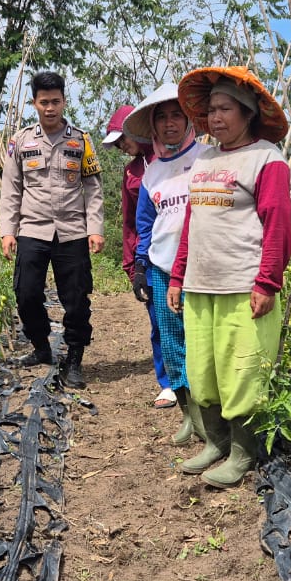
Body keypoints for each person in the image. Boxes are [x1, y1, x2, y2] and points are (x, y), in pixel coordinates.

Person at [167, 67, 291, 488]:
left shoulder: (266, 160)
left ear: (248, 113)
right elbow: (191, 222)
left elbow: (277, 225)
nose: (215, 118)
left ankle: (243, 452)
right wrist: (177, 276)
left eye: (224, 109)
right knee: (204, 371)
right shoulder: (206, 158)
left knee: (242, 373)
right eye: (211, 110)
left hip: (242, 286)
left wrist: (267, 282)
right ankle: (216, 442)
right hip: (202, 284)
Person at [0, 71, 104, 388]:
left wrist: (95, 228)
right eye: (43, 102)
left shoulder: (81, 140)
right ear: (34, 103)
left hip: (72, 231)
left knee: (76, 299)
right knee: (26, 293)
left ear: (63, 102)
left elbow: (93, 188)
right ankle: (42, 347)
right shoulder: (20, 142)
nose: (50, 108)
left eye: (55, 101)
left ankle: (74, 359)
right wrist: (8, 230)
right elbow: (11, 188)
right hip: (33, 228)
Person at [125, 83, 207, 446]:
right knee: (173, 344)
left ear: (189, 120)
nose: (170, 124)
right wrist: (141, 267)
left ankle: (211, 419)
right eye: (162, 118)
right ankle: (190, 417)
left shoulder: (207, 160)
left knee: (204, 344)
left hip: (204, 270)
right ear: (154, 127)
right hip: (162, 271)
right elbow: (146, 225)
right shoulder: (152, 174)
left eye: (177, 115)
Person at [101, 106, 176, 408]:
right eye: (116, 142)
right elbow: (130, 221)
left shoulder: (172, 159)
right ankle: (168, 383)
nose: (121, 146)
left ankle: (194, 380)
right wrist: (132, 265)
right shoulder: (132, 171)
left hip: (182, 253)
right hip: (151, 257)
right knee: (159, 321)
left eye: (123, 138)